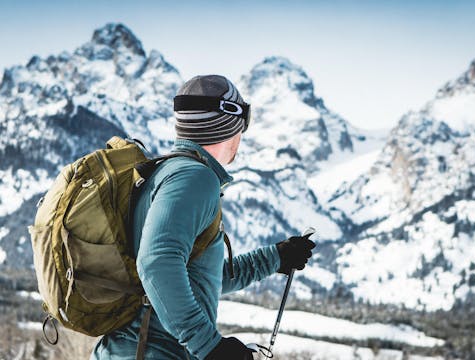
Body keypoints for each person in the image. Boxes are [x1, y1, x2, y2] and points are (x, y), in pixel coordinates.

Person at [91, 75, 316, 360]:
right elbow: (157, 264)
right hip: (150, 352)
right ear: (230, 124)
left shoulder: (166, 174)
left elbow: (196, 279)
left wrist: (275, 258)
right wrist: (210, 347)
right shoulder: (194, 178)